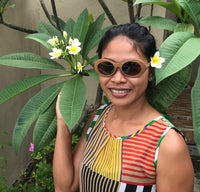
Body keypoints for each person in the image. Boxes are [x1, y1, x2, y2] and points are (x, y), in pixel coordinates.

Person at [53, 23, 194, 192]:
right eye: (107, 67)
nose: (118, 78)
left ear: (150, 73)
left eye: (131, 68)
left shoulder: (168, 144)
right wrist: (63, 124)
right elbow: (65, 187)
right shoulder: (98, 117)